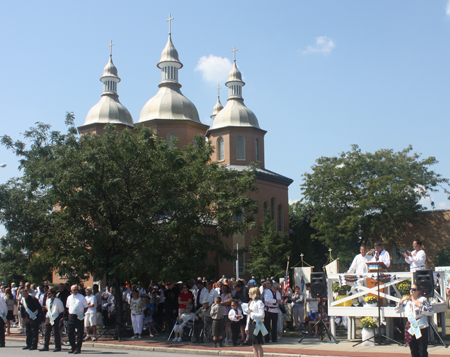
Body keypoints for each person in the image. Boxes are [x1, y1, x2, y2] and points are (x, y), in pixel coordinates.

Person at [395, 284, 433, 357]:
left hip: (421, 327)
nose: (411, 290)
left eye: (414, 289)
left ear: (418, 291)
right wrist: (402, 300)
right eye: (411, 288)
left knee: (422, 349)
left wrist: (421, 306)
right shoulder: (407, 302)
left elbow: (431, 311)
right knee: (413, 349)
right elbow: (397, 310)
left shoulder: (423, 300)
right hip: (411, 327)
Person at [245, 287, 267, 357]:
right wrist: (246, 327)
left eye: (250, 292)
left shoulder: (259, 302)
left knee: (258, 343)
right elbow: (249, 316)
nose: (248, 294)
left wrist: (252, 314)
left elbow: (262, 314)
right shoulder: (251, 302)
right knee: (253, 343)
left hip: (257, 324)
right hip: (251, 323)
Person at [66, 284, 89, 354]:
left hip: (79, 316)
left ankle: (78, 348)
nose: (75, 291)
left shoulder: (81, 297)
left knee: (79, 333)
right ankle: (73, 347)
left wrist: (82, 313)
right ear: (71, 290)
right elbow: (68, 307)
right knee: (70, 332)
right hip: (71, 316)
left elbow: (86, 307)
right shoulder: (69, 298)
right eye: (74, 290)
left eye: (76, 289)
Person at [41, 287, 65, 352]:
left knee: (56, 332)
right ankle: (46, 346)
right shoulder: (48, 301)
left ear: (53, 294)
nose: (48, 295)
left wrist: (58, 318)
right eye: (47, 293)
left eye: (49, 293)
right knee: (47, 332)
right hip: (49, 317)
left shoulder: (58, 301)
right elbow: (47, 309)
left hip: (56, 317)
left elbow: (61, 310)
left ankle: (57, 346)